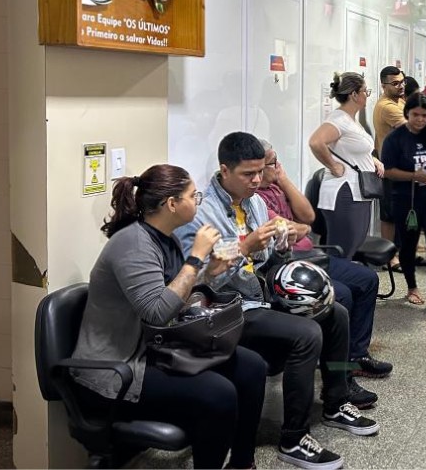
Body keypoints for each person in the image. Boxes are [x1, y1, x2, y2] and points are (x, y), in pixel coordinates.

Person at [175, 134, 379, 470]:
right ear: (224, 170)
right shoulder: (201, 213)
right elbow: (197, 281)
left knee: (337, 314)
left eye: (260, 171)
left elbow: (267, 260)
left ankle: (336, 399)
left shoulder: (254, 203)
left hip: (261, 294)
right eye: (248, 174)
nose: (257, 180)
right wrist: (246, 247)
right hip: (228, 308)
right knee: (306, 334)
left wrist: (281, 244)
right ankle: (294, 437)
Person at [71, 164, 267, 470]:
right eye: (193, 195)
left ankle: (242, 462)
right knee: (218, 394)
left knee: (251, 367)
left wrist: (209, 272)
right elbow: (158, 312)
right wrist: (195, 258)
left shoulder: (166, 237)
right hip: (120, 368)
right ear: (172, 204)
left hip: (156, 348)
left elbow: (175, 294)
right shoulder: (133, 244)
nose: (198, 201)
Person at [256, 139, 393, 391]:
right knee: (342, 295)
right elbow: (291, 229)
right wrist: (298, 228)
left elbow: (308, 218)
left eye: (276, 161)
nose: (277, 166)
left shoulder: (276, 185)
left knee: (367, 279)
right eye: (272, 163)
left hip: (311, 255)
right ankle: (340, 376)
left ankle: (356, 356)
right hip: (287, 264)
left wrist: (283, 180)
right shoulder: (254, 198)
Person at [381, 92, 426, 315]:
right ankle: (412, 287)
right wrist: (414, 176)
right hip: (406, 198)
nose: (420, 119)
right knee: (409, 244)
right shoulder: (396, 138)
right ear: (407, 113)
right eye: (415, 115)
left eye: (425, 115)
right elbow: (388, 171)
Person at [309, 72, 384, 260]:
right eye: (365, 91)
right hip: (344, 192)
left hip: (358, 192)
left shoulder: (350, 120)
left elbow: (352, 148)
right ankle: (336, 278)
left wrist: (371, 159)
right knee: (341, 251)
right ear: (354, 95)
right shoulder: (338, 119)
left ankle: (344, 277)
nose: (367, 95)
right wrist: (333, 166)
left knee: (352, 247)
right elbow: (316, 142)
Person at [373, 66, 407, 266]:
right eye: (395, 83)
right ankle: (389, 257)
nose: (400, 86)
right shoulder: (387, 106)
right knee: (390, 215)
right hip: (390, 167)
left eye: (402, 81)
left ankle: (399, 252)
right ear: (383, 85)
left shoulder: (399, 101)